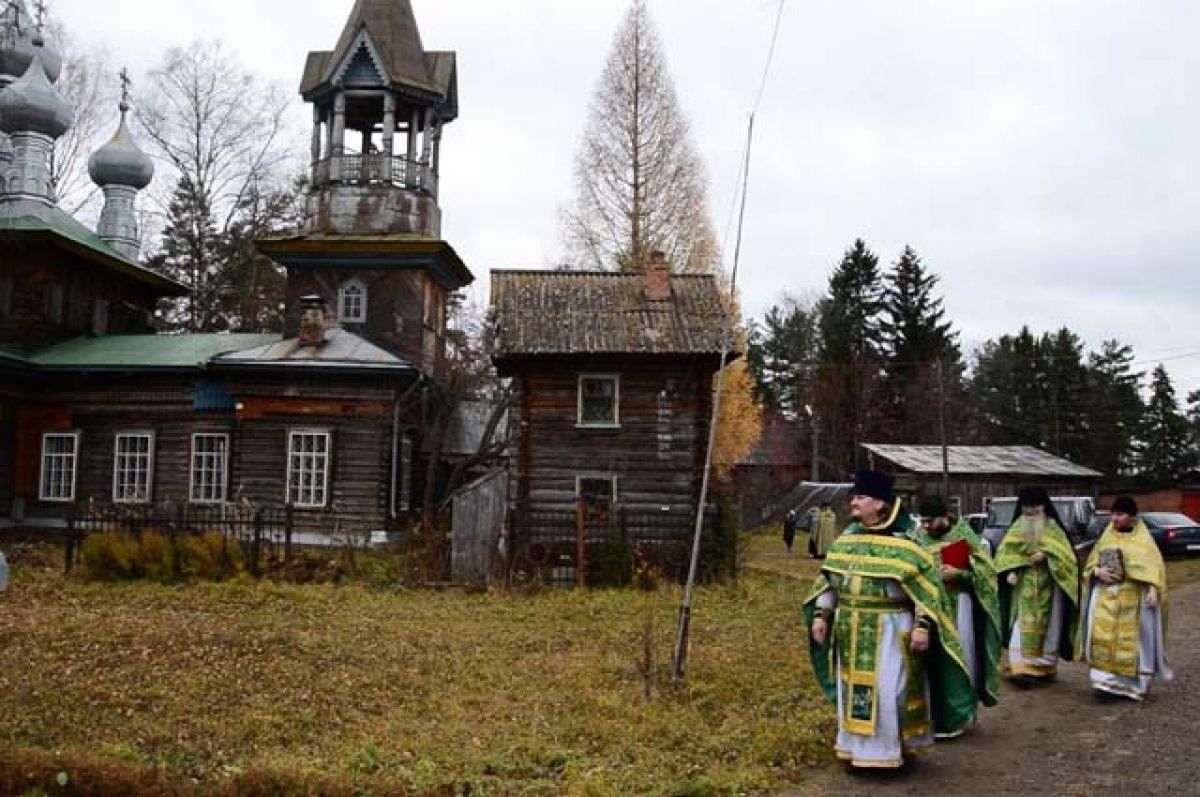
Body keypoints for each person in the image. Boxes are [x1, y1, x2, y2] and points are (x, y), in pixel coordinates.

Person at [803, 470, 975, 769]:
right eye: (854, 497)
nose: (854, 503)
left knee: (887, 693)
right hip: (851, 630)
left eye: (861, 497)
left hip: (891, 630)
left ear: (880, 504)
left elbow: (927, 592)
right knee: (852, 691)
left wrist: (923, 627)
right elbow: (829, 584)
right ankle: (856, 751)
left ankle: (887, 751)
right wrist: (821, 616)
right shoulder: (846, 541)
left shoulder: (907, 544)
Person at [912, 495, 1001, 734]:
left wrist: (959, 574)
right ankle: (934, 718)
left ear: (945, 517)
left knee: (958, 660)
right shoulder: (917, 538)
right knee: (931, 664)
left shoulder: (964, 536)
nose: (926, 526)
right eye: (923, 521)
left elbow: (987, 575)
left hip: (958, 606)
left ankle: (960, 716)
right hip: (927, 610)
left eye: (931, 521)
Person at [1079, 496, 1172, 701]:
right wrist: (1097, 572)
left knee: (1132, 643)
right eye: (1113, 514)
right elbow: (1090, 565)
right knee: (1102, 638)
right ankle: (1105, 684)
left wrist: (1153, 591)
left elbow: (1154, 570)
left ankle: (1130, 686)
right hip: (1105, 598)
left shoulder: (1144, 541)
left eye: (1119, 514)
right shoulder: (1107, 537)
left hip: (1133, 600)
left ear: (1131, 517)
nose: (1114, 518)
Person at [994, 486, 1080, 684]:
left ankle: (1044, 667)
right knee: (1020, 626)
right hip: (1023, 587)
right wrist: (1012, 570)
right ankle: (1021, 667)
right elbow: (1006, 554)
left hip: (1049, 586)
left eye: (1035, 511)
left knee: (1050, 626)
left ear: (1044, 509)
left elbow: (1067, 558)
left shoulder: (1053, 528)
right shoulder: (1017, 526)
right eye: (1026, 511)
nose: (1031, 515)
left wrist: (1047, 556)